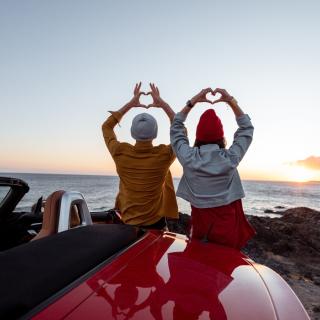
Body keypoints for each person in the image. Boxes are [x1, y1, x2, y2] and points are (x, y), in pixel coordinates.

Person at [170, 87, 255, 249]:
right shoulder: (230, 158)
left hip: (200, 227)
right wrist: (230, 101)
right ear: (221, 137)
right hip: (227, 227)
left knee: (199, 267)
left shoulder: (188, 157)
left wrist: (192, 101)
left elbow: (176, 126)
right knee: (225, 268)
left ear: (198, 137)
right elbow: (246, 129)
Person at [102, 82, 178, 229]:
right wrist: (163, 105)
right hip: (157, 225)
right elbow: (180, 131)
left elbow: (106, 127)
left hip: (127, 225)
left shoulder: (119, 152)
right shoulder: (164, 155)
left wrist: (130, 104)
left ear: (132, 132)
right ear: (155, 133)